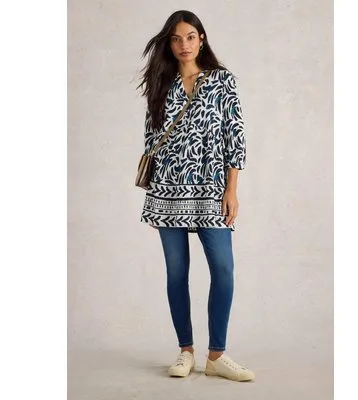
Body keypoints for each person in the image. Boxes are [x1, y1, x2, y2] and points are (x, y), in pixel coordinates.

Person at [137, 10, 254, 382]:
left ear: (201, 39)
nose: (183, 45)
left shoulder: (222, 81)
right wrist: (156, 191)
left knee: (223, 269)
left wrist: (231, 190)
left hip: (210, 190)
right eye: (176, 39)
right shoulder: (161, 83)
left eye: (190, 37)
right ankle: (185, 350)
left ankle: (216, 355)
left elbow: (235, 137)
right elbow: (151, 139)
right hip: (168, 191)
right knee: (176, 273)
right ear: (169, 44)